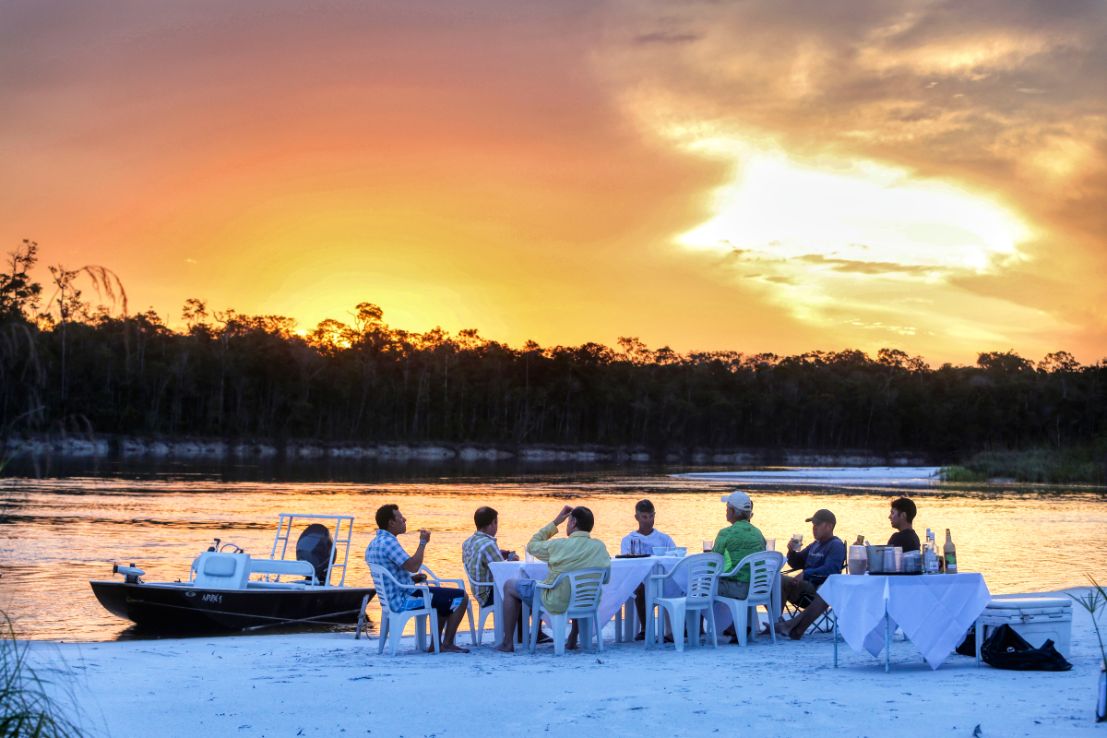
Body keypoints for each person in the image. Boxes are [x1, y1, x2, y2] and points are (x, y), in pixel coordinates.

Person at [496, 505, 611, 653]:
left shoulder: (559, 545)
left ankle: (507, 643)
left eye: (568, 520)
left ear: (573, 522)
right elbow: (606, 578)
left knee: (509, 585)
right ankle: (572, 637)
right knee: (574, 587)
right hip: (587, 600)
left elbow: (532, 546)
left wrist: (556, 522)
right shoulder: (600, 547)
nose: (567, 524)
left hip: (556, 601)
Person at [365, 504, 470, 653]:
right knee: (462, 597)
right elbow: (413, 565)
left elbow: (390, 574)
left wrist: (412, 580)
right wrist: (422, 543)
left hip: (390, 599)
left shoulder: (373, 543)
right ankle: (446, 643)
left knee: (443, 597)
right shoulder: (389, 543)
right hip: (403, 600)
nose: (404, 519)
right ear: (391, 523)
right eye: (401, 518)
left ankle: (437, 644)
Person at [461, 506, 550, 644]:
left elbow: (486, 560)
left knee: (520, 587)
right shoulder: (488, 544)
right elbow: (500, 569)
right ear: (492, 524)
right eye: (496, 523)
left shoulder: (468, 542)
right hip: (489, 593)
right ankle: (532, 633)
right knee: (527, 589)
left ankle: (521, 632)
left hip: (478, 591)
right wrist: (510, 560)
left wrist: (502, 554)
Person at [776, 508, 846, 640]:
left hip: (819, 590)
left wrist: (806, 574)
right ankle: (778, 623)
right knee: (774, 580)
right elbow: (797, 563)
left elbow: (830, 570)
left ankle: (780, 626)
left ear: (829, 526)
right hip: (804, 588)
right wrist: (791, 552)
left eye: (817, 525)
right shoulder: (815, 544)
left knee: (779, 580)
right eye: (813, 525)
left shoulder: (835, 545)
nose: (814, 528)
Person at [621, 499, 676, 640]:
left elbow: (674, 559)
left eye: (651, 516)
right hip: (639, 581)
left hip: (662, 580)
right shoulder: (628, 540)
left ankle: (674, 630)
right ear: (637, 517)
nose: (648, 520)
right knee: (639, 587)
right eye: (644, 517)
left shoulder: (664, 539)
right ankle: (646, 629)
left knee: (676, 585)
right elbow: (627, 565)